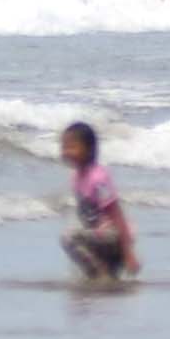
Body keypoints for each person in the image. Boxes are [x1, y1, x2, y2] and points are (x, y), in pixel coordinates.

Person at [59, 120, 137, 281]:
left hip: (113, 237)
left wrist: (128, 253)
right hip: (99, 239)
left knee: (69, 237)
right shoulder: (77, 177)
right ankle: (102, 275)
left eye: (71, 147)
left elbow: (116, 213)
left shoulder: (98, 178)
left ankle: (99, 275)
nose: (66, 152)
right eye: (63, 147)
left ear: (88, 150)